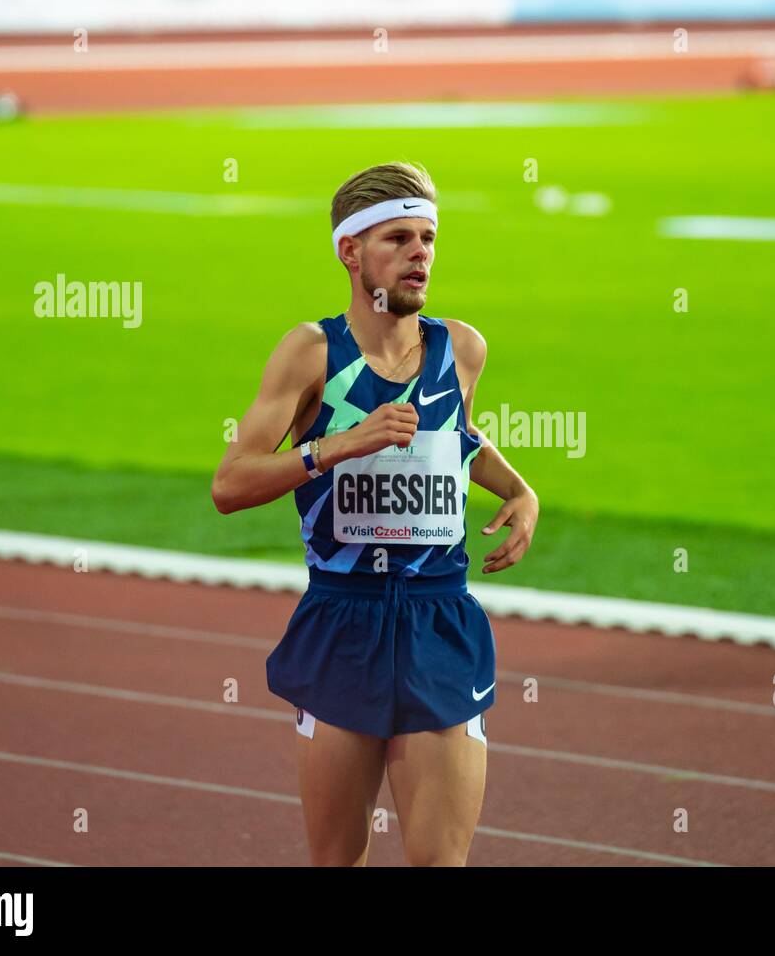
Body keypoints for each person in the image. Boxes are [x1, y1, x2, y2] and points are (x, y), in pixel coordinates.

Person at [211, 160, 539, 866]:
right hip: (343, 618)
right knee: (339, 859)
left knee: (439, 860)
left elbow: (455, 439)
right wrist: (336, 446)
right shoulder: (312, 353)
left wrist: (517, 487)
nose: (420, 254)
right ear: (350, 252)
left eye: (427, 239)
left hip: (437, 618)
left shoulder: (462, 349)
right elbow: (231, 483)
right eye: (398, 239)